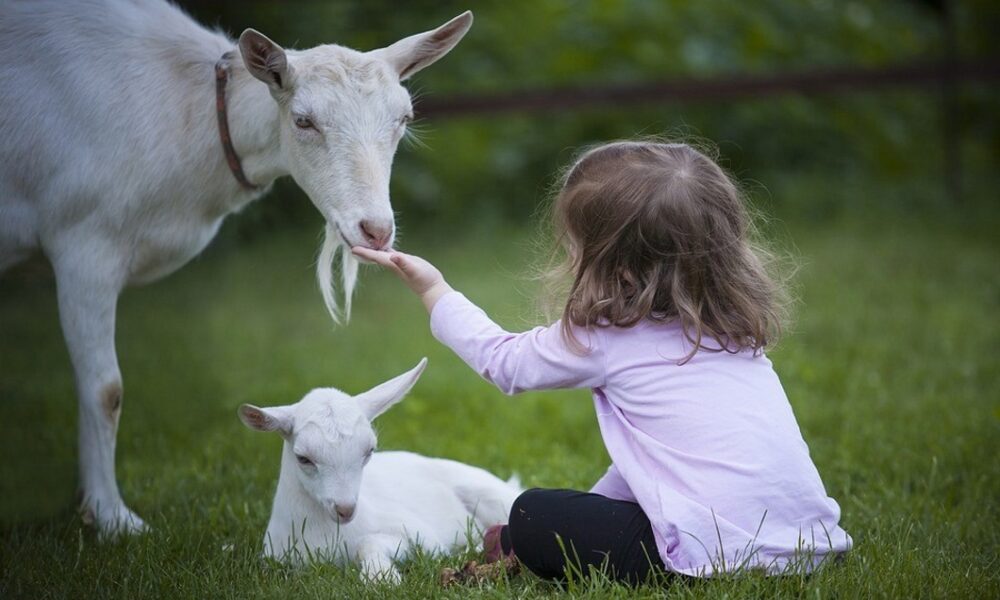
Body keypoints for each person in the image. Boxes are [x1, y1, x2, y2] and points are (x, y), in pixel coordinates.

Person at [353, 141, 851, 584]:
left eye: (576, 247)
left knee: (532, 514)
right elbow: (653, 465)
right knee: (557, 516)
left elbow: (503, 361)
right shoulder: (736, 335)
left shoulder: (608, 337)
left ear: (620, 268)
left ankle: (528, 540)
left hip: (712, 557)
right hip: (808, 546)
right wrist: (592, 509)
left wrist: (433, 288)